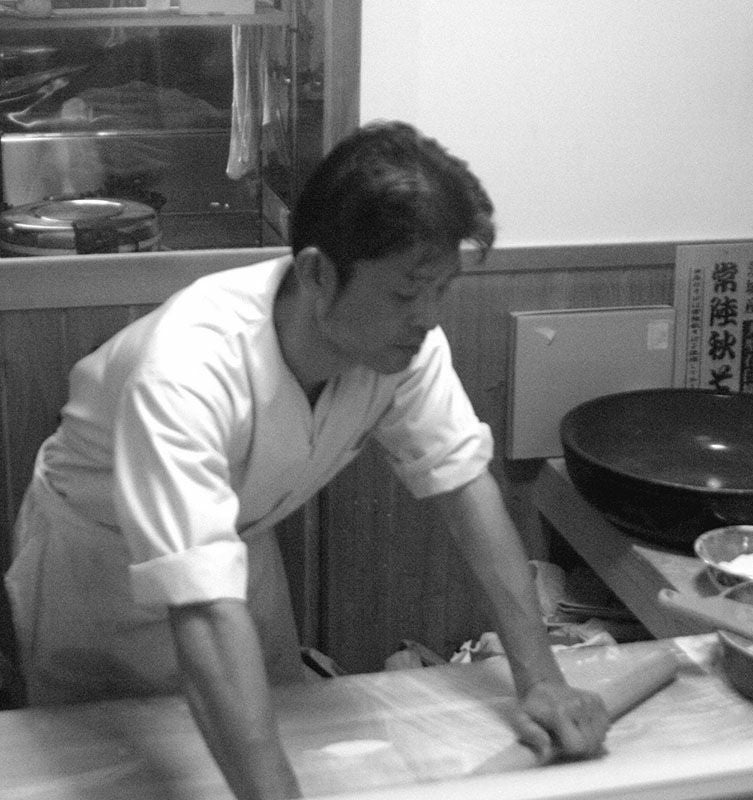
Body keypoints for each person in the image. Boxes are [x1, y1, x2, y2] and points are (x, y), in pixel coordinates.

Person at [5, 120, 609, 799]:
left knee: (281, 743)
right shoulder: (185, 368)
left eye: (443, 289)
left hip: (236, 550)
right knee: (108, 777)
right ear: (318, 274)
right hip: (96, 572)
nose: (428, 317)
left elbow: (466, 490)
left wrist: (542, 680)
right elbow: (201, 611)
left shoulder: (404, 345)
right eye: (407, 293)